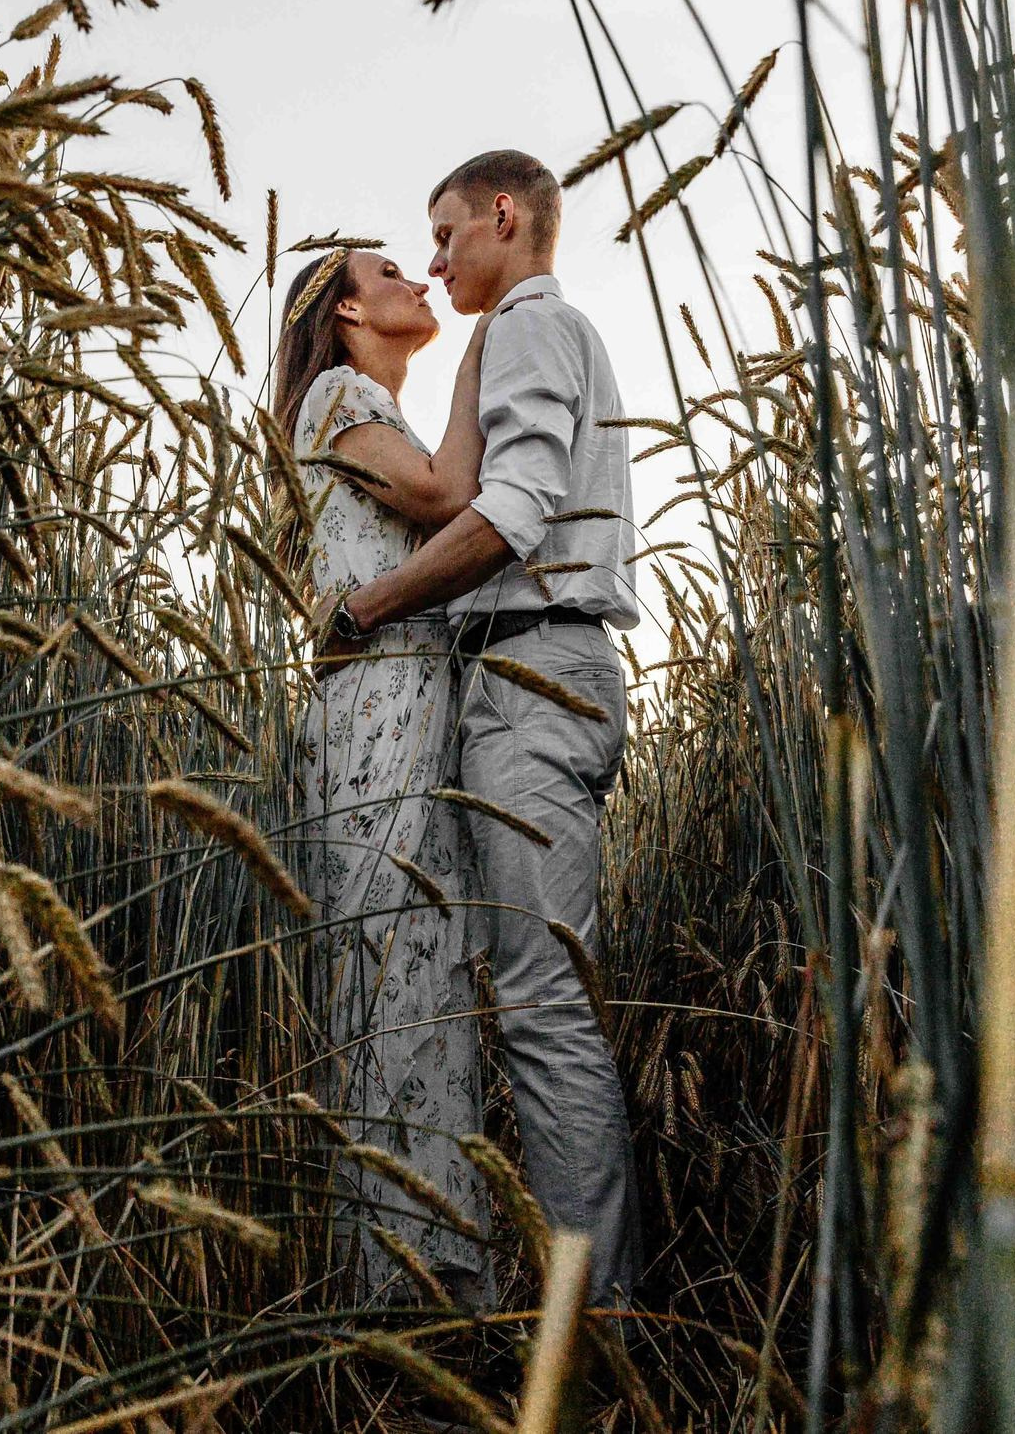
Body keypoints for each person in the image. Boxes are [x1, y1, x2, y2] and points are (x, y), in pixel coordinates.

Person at [326, 149, 643, 1301]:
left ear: (503, 216)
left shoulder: (525, 329)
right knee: (540, 995)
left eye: (446, 231)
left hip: (531, 678)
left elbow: (508, 513)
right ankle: (586, 1301)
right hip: (535, 682)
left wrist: (363, 609)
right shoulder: (526, 333)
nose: (435, 256)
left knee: (543, 1008)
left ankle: (593, 1324)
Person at [277, 243, 496, 1306]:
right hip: (375, 705)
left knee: (425, 967)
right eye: (389, 272)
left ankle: (435, 1261)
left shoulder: (371, 403)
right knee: (389, 966)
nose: (419, 279)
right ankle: (398, 1279)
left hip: (411, 699)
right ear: (347, 309)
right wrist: (485, 345)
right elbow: (445, 491)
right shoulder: (336, 391)